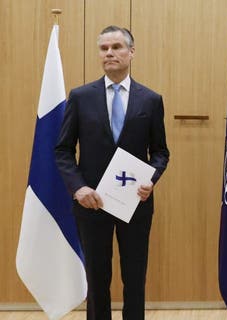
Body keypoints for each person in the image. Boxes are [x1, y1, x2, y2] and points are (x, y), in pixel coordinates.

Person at [55, 25, 169, 320]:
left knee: (134, 279)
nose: (109, 53)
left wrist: (151, 179)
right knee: (97, 278)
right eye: (104, 48)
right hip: (91, 203)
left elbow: (160, 152)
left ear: (131, 52)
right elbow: (63, 150)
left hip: (135, 203)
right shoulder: (80, 97)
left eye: (117, 47)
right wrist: (78, 188)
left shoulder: (151, 100)